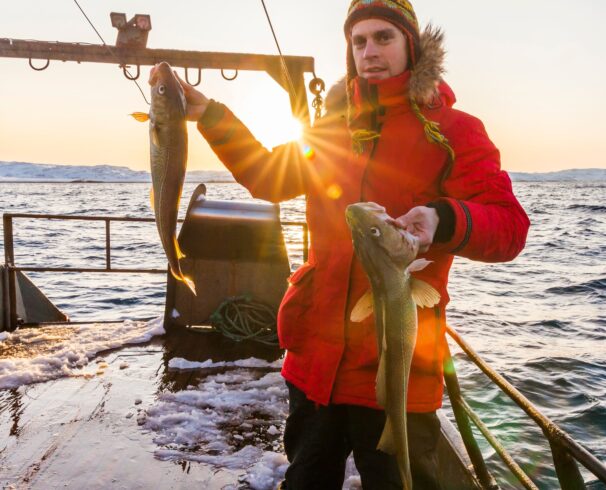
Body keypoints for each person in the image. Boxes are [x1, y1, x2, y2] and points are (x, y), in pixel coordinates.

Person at [162, 1, 530, 487]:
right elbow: (266, 176)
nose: (369, 51)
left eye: (383, 38)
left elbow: (509, 228)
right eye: (359, 41)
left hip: (396, 371)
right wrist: (211, 116)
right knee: (306, 478)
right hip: (314, 363)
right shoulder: (331, 129)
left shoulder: (454, 131)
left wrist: (443, 218)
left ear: (411, 45)